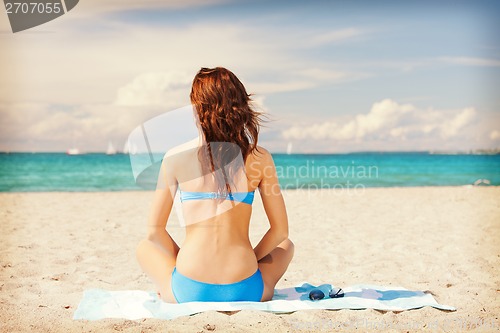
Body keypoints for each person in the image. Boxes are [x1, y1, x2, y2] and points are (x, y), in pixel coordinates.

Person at [136, 67, 294, 303]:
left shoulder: (175, 158)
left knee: (144, 247)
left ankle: (171, 282)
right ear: (240, 106)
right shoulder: (260, 158)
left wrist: (183, 260)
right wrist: (252, 257)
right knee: (286, 246)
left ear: (197, 109)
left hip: (189, 289)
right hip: (246, 289)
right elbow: (280, 232)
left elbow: (154, 231)